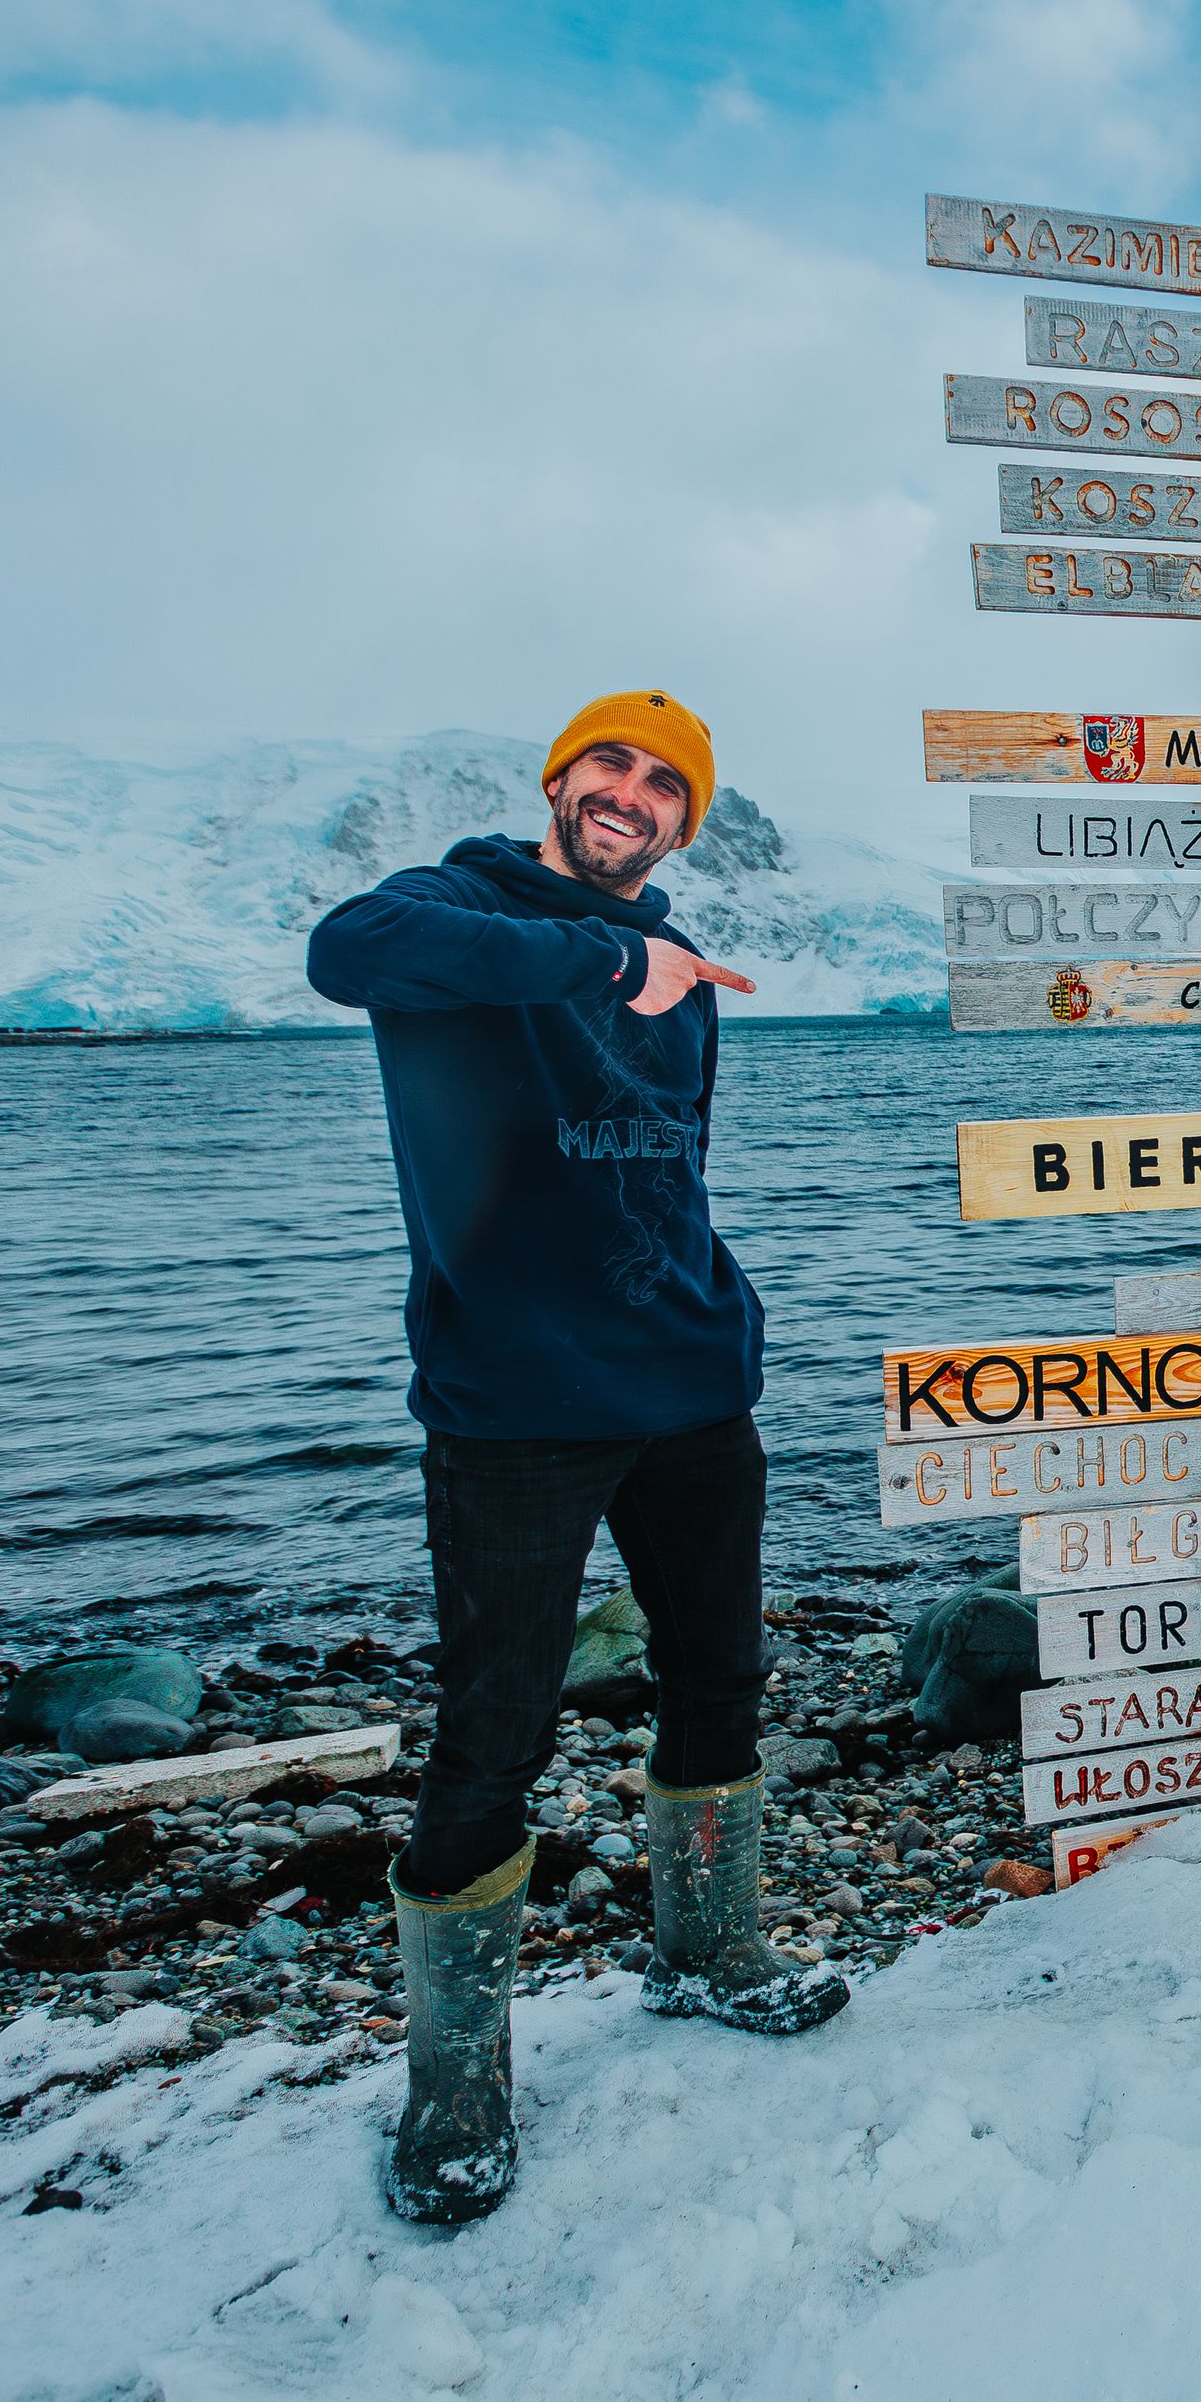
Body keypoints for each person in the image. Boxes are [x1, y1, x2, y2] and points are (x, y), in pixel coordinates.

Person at [307, 689, 844, 2230]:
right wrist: (617, 953)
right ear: (558, 779)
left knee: (722, 1680)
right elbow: (345, 957)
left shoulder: (685, 965)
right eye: (613, 763)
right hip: (512, 1406)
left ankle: (709, 1953)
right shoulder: (453, 907)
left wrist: (721, 1313)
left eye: (669, 783)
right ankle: (456, 2082)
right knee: (494, 1736)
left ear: (686, 819)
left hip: (689, 1389)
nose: (636, 792)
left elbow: (671, 1159)